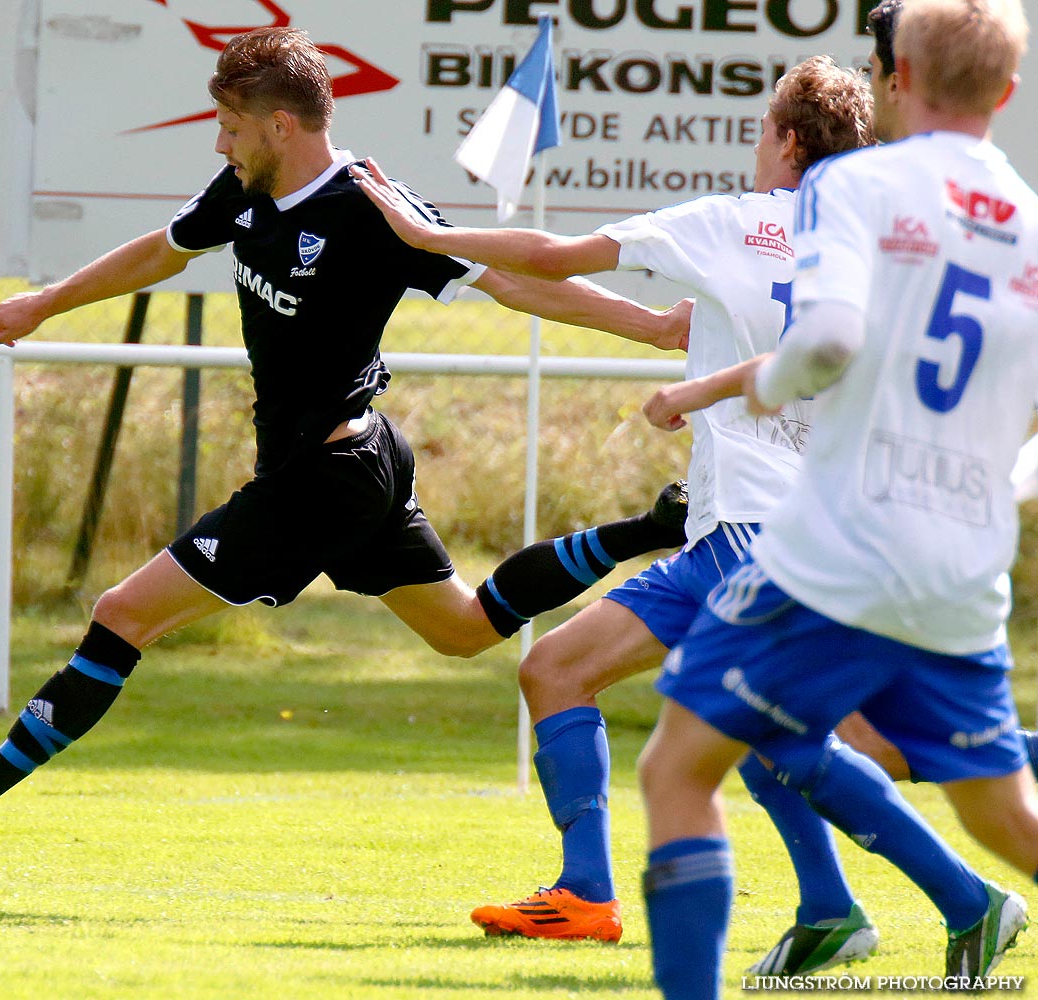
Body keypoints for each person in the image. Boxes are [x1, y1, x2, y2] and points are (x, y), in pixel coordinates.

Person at [0, 26, 691, 856]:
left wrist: (653, 326)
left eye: (230, 124)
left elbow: (512, 281)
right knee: (466, 629)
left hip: (323, 477)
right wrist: (48, 301)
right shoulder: (242, 189)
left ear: (280, 127)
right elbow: (159, 251)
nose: (220, 141)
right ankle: (652, 530)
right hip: (352, 465)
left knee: (122, 615)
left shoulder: (373, 210)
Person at [352, 55, 893, 949]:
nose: (758, 144)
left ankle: (944, 891)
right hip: (826, 529)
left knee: (851, 739)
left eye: (763, 128)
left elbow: (556, 257)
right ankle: (608, 894)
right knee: (564, 671)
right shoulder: (868, 253)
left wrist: (424, 235)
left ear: (789, 141)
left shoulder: (732, 224)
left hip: (752, 532)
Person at [636, 0, 1034, 993]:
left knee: (677, 767)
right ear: (1008, 92)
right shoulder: (1026, 221)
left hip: (840, 548)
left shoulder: (856, 186)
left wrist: (737, 387)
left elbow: (823, 343)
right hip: (961, 567)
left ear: (896, 73)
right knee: (1000, 816)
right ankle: (856, 907)